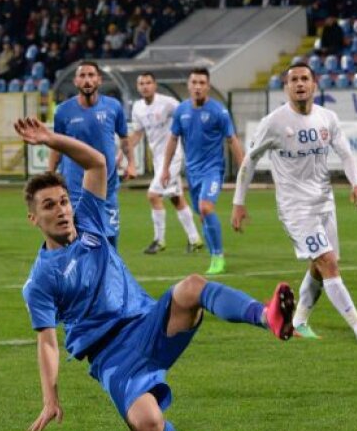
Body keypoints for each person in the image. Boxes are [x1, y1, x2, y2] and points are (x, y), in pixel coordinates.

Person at [14, 116, 296, 431]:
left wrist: (50, 138)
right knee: (148, 426)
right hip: (110, 357)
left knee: (193, 286)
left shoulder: (88, 218)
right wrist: (50, 397)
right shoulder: (40, 280)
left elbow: (97, 162)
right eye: (49, 206)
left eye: (63, 201)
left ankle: (268, 316)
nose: (61, 210)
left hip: (148, 323)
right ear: (33, 219)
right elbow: (47, 342)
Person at [232, 63, 357, 343]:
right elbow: (250, 159)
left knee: (320, 264)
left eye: (305, 79)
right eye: (294, 80)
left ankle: (299, 321)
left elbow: (347, 154)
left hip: (324, 203)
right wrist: (238, 202)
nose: (300, 84)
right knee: (328, 262)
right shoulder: (275, 122)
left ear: (314, 85)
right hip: (296, 208)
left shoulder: (327, 118)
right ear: (286, 87)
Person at [161, 68, 244, 274]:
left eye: (201, 83)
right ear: (189, 85)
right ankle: (213, 251)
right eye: (194, 83)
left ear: (207, 86)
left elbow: (232, 140)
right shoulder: (181, 111)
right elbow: (173, 139)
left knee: (206, 208)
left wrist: (244, 168)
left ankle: (217, 256)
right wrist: (165, 169)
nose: (197, 87)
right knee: (202, 214)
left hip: (213, 169)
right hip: (193, 171)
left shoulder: (218, 111)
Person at [47, 61, 133, 248]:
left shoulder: (113, 107)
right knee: (79, 242)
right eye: (83, 76)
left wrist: (131, 163)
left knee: (110, 242)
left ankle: (109, 277)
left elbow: (125, 139)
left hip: (107, 188)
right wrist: (50, 173)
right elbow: (56, 145)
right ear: (76, 81)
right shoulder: (63, 111)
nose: (87, 80)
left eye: (91, 75)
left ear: (99, 80)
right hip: (75, 188)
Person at [129, 72, 203, 254]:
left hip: (173, 156)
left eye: (148, 83)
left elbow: (185, 115)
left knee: (153, 195)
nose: (145, 86)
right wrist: (122, 154)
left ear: (155, 85)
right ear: (138, 87)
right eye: (141, 83)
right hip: (157, 158)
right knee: (176, 198)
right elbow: (137, 134)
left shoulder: (168, 103)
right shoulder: (137, 107)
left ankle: (159, 240)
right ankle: (195, 240)